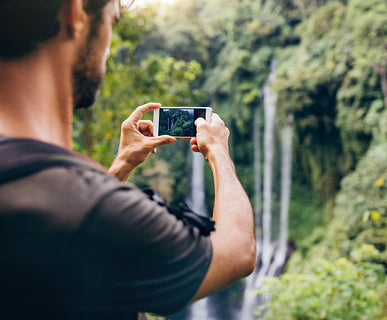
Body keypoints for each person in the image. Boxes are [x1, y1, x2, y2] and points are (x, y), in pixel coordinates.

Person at [0, 0, 256, 319]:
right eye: (112, 20)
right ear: (75, 12)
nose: (107, 48)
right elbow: (238, 251)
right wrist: (218, 151)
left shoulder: (48, 195)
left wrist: (121, 166)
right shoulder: (94, 212)